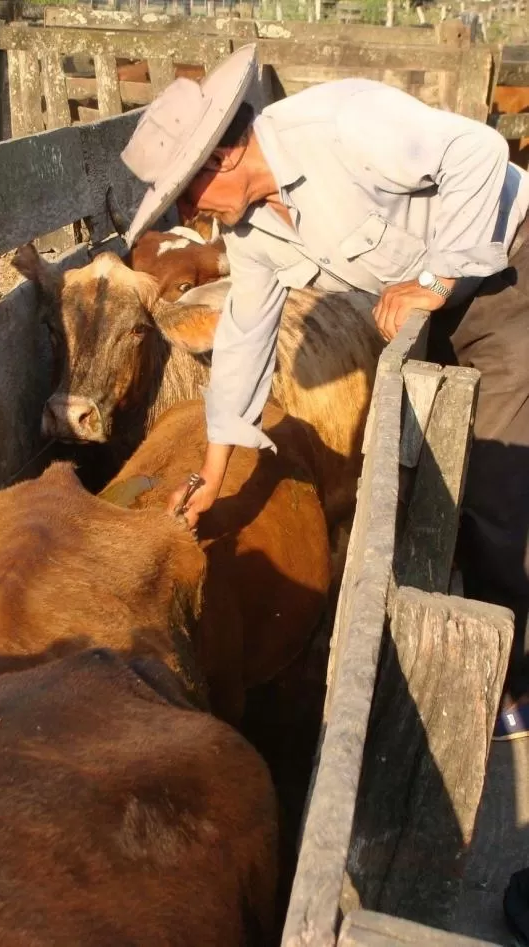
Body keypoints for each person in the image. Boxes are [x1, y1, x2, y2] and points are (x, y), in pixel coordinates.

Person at [119, 44, 529, 739]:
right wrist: (213, 474)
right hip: (427, 303)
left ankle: (515, 675)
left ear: (221, 159)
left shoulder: (342, 125)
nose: (194, 213)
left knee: (495, 481)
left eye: (187, 195)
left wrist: (434, 283)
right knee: (436, 471)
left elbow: (480, 151)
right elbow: (246, 337)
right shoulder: (252, 232)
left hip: (504, 268)